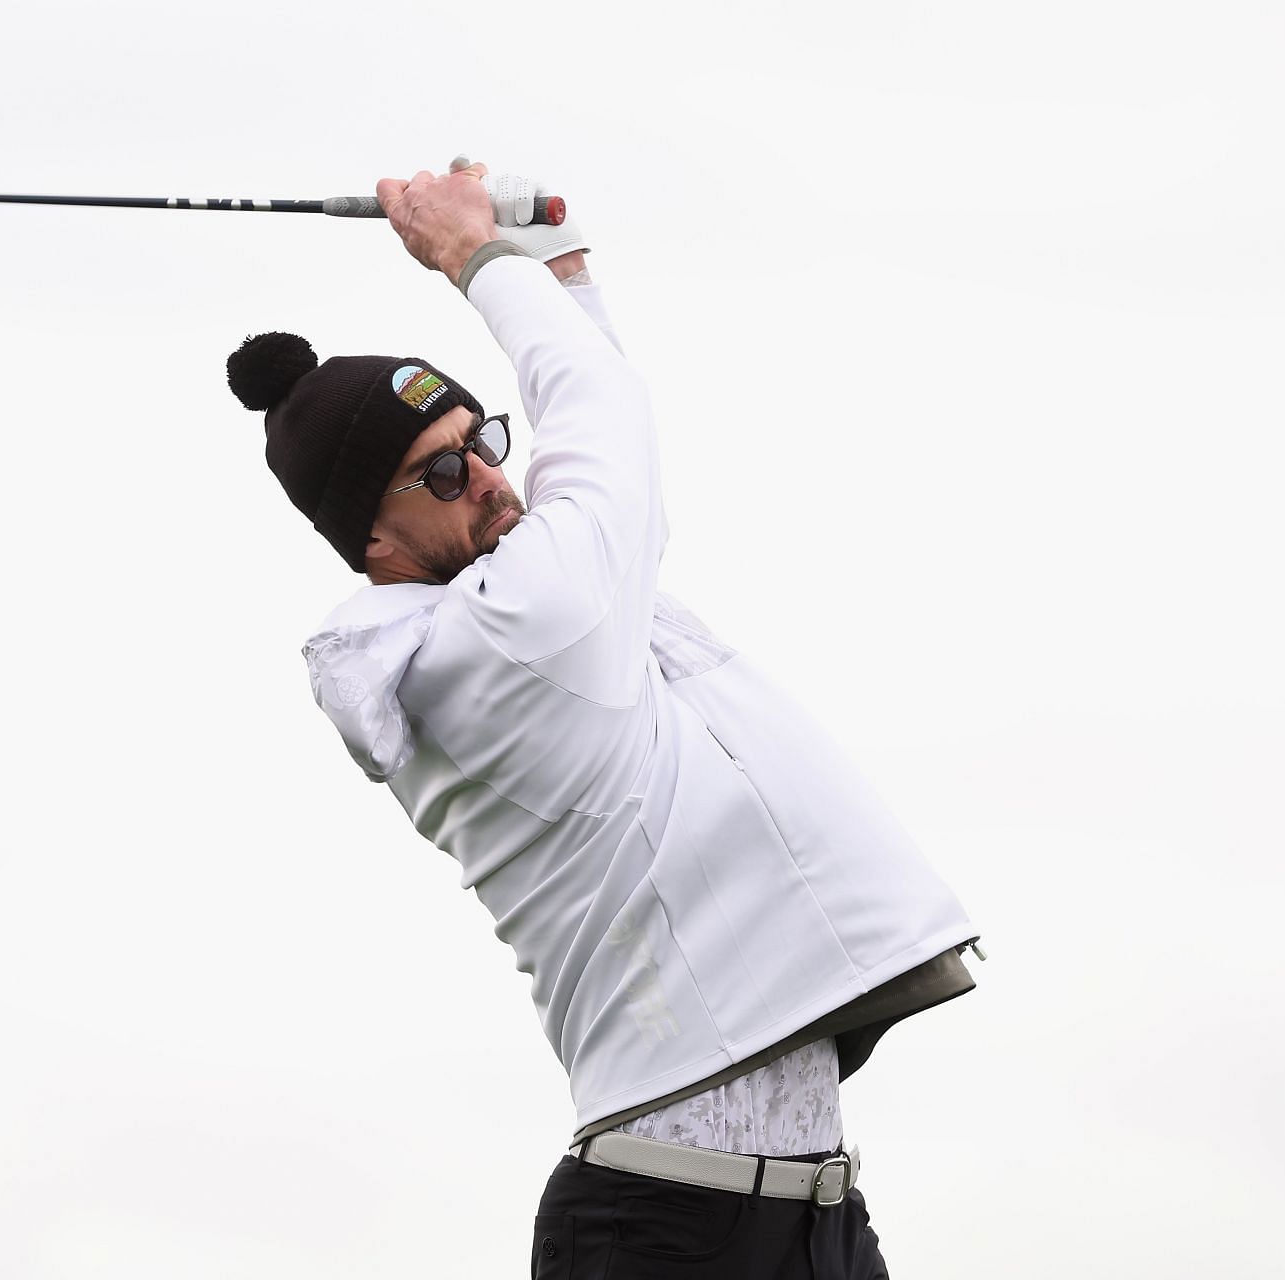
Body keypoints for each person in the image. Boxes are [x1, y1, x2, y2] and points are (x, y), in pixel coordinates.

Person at [226, 158, 982, 1279]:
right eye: (438, 477)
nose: (487, 477)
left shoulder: (550, 609)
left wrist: (562, 278)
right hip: (668, 1230)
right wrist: (474, 258)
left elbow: (612, 457)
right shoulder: (492, 641)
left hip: (816, 1220)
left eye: (485, 440)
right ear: (372, 541)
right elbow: (606, 432)